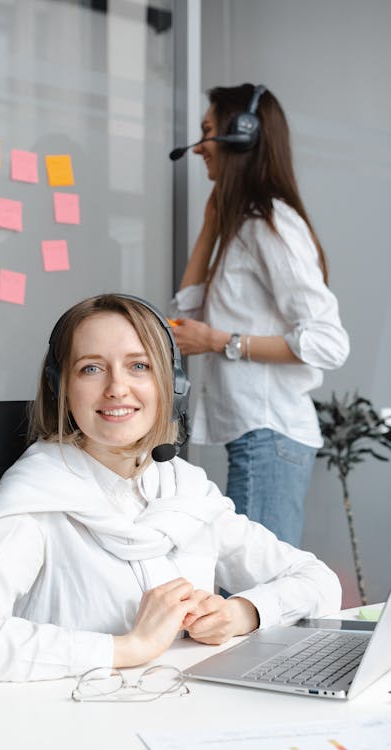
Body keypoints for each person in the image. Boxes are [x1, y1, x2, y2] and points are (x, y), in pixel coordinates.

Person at [0, 293, 341, 684]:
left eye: (139, 366)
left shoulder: (187, 491)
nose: (117, 388)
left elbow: (317, 581)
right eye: (91, 368)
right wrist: (128, 647)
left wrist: (243, 612)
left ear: (171, 385)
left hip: (182, 713)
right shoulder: (37, 498)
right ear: (61, 387)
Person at [171, 83, 350, 548]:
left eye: (207, 132)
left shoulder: (269, 225)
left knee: (251, 600)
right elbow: (184, 319)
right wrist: (210, 226)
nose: (197, 148)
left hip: (269, 436)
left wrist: (219, 342)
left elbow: (327, 342)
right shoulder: (241, 227)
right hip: (257, 437)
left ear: (242, 136)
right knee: (245, 592)